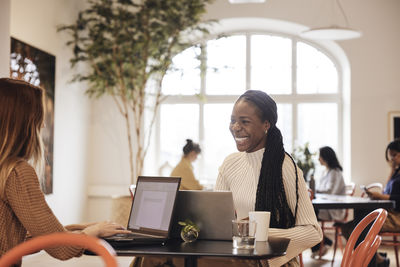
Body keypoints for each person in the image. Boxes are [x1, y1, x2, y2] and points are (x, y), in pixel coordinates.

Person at [0, 78, 130, 266]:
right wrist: (92, 233)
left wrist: (82, 228)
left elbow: (24, 239)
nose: (43, 125)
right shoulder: (16, 173)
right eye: (38, 117)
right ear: (22, 122)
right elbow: (61, 249)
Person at [215, 90, 322, 266]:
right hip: (240, 256)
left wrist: (258, 233)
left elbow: (312, 232)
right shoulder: (230, 163)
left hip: (273, 262)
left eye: (245, 121)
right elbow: (217, 221)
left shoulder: (284, 167)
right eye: (233, 120)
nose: (235, 127)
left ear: (266, 124)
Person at [341, 139, 400, 267]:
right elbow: (387, 192)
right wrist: (392, 171)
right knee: (349, 226)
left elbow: (396, 198)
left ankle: (370, 261)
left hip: (396, 217)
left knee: (361, 226)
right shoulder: (396, 173)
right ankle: (375, 259)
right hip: (389, 212)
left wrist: (381, 196)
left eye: (395, 155)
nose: (392, 159)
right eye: (390, 156)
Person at [311, 146, 346, 258]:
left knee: (309, 215)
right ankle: (322, 243)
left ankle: (322, 243)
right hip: (325, 206)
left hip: (333, 208)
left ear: (325, 157)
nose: (318, 159)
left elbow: (330, 191)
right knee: (307, 215)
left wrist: (315, 190)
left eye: (320, 156)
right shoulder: (325, 171)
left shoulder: (335, 172)